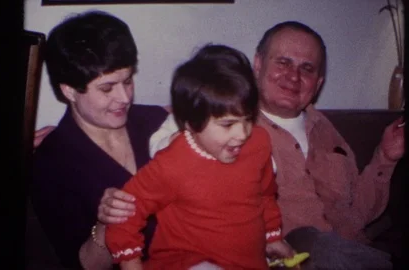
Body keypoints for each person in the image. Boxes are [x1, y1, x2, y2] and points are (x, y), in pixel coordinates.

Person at [97, 21, 404, 269]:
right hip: (285, 247)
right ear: (258, 65)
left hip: (342, 250)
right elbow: (173, 143)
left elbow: (351, 213)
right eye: (283, 62)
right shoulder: (204, 118)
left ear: (319, 82)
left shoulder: (322, 133)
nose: (294, 76)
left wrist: (385, 159)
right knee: (320, 245)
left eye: (307, 68)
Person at [105, 44, 294, 270]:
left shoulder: (259, 142)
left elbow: (265, 194)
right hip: (188, 263)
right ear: (191, 124)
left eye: (248, 119)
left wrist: (272, 237)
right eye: (228, 124)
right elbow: (125, 215)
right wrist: (130, 262)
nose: (242, 134)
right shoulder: (172, 163)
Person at [31, 10, 168, 269]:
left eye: (127, 81)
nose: (125, 97)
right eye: (107, 88)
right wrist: (105, 224)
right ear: (69, 90)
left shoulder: (156, 122)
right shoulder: (52, 162)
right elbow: (84, 265)